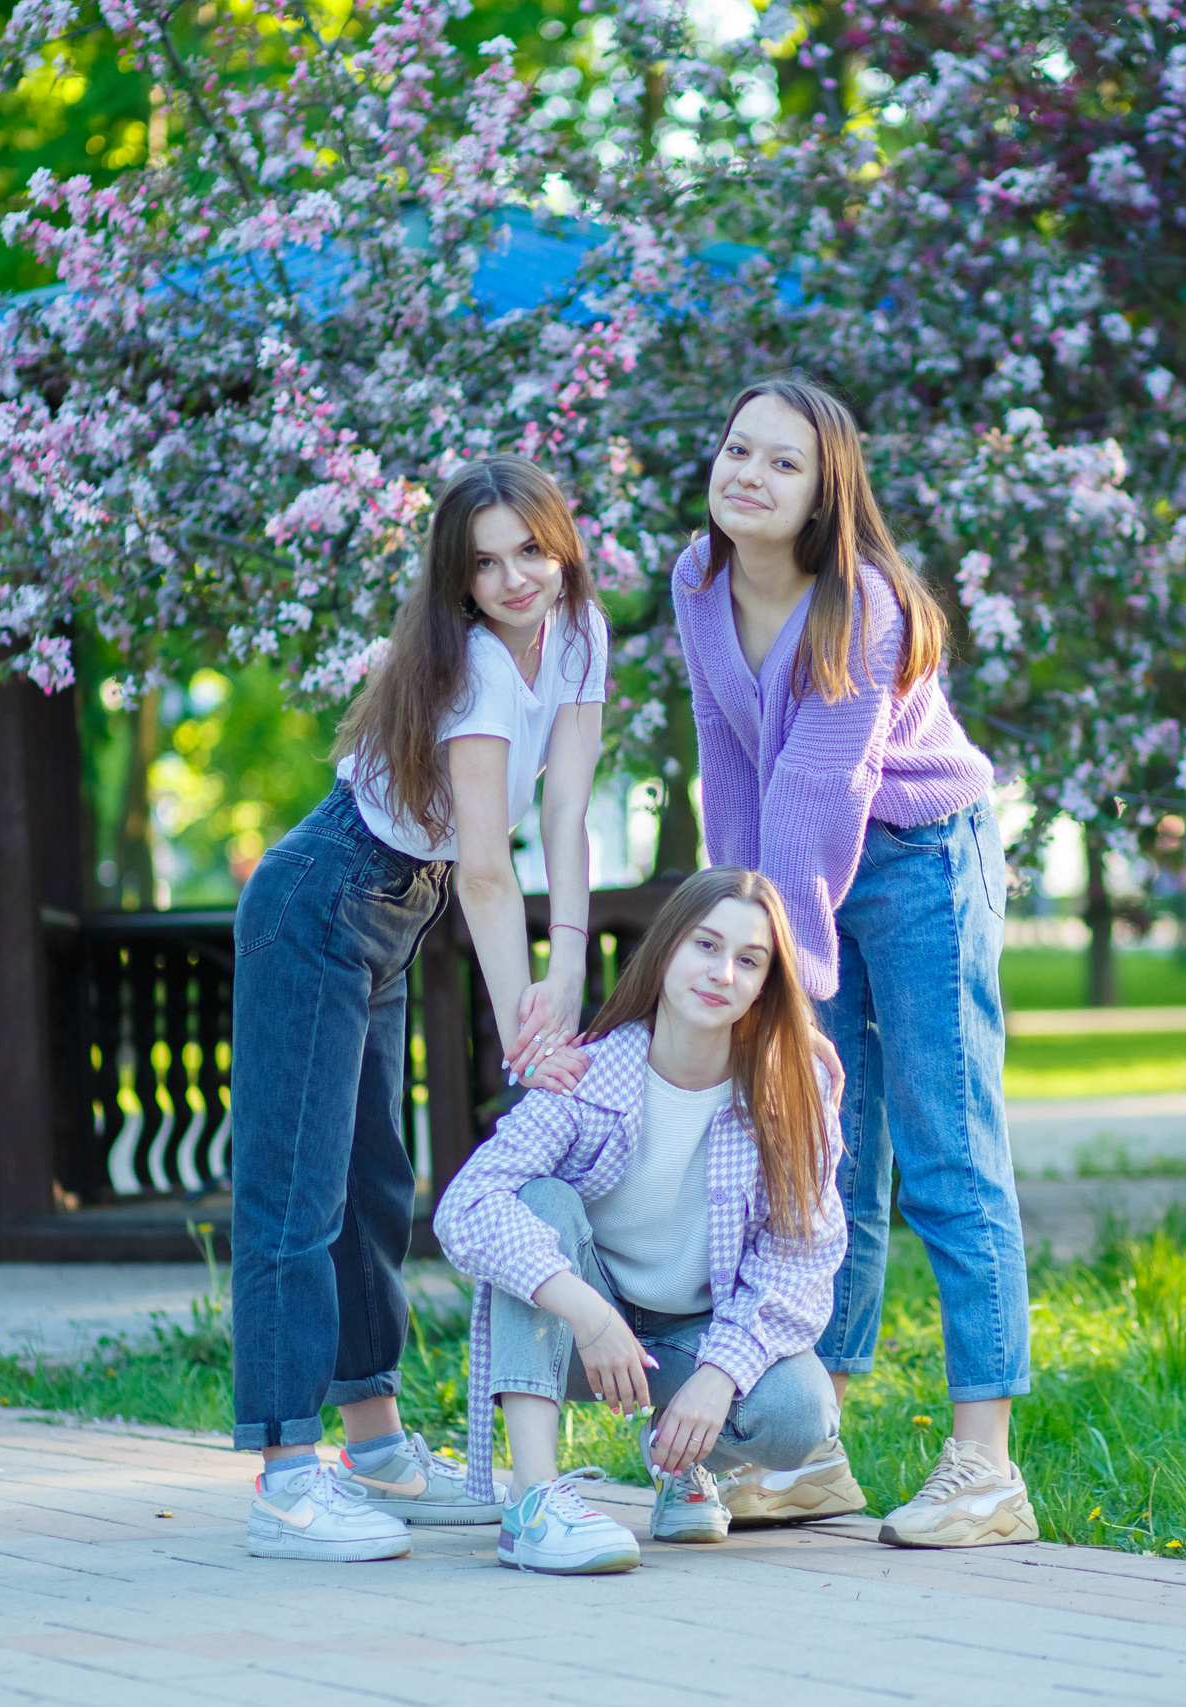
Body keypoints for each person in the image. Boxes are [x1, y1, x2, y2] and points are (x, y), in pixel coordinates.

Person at [671, 373, 1039, 1549]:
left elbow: (821, 795)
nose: (751, 475)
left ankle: (985, 1467)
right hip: (801, 872)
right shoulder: (698, 582)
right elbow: (732, 770)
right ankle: (812, 1451)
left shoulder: (863, 605)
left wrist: (785, 981)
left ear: (827, 490)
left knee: (946, 1152)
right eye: (738, 451)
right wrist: (732, 930)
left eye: (783, 462)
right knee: (827, 1155)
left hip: (921, 859)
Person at [232, 453, 608, 1563]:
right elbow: (490, 869)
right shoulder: (479, 670)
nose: (515, 578)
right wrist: (524, 1031)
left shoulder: (581, 634)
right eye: (485, 563)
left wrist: (570, 968)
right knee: (297, 1192)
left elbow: (571, 814)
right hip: (322, 898)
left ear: (562, 545)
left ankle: (377, 1445)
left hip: (396, 903)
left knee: (374, 1181)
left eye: (531, 551)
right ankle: (285, 1477)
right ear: (456, 578)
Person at [434, 868, 848, 1575]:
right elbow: (465, 1206)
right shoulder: (588, 1074)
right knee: (535, 1203)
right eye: (705, 945)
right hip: (573, 1335)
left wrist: (717, 1376)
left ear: (764, 985)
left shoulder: (787, 1094)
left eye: (748, 960)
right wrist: (591, 1317)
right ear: (665, 952)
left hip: (692, 1336)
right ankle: (532, 1502)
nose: (722, 972)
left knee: (801, 1412)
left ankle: (683, 1456)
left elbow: (800, 1260)